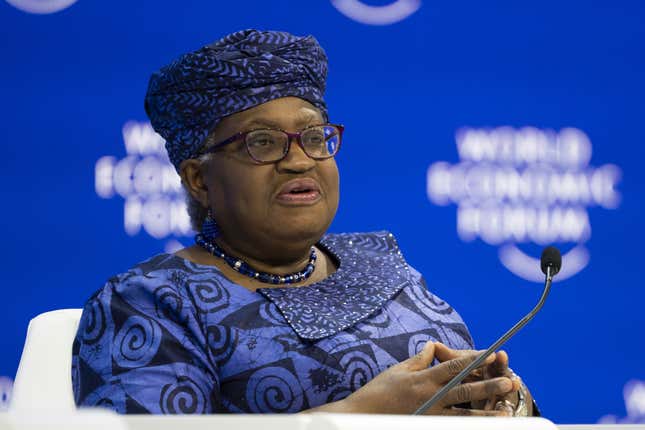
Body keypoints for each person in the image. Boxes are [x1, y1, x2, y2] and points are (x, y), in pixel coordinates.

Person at [72, 29, 534, 416]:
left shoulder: (378, 261)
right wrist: (359, 416)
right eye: (264, 142)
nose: (299, 161)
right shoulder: (151, 302)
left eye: (314, 137)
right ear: (199, 179)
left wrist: (503, 400)